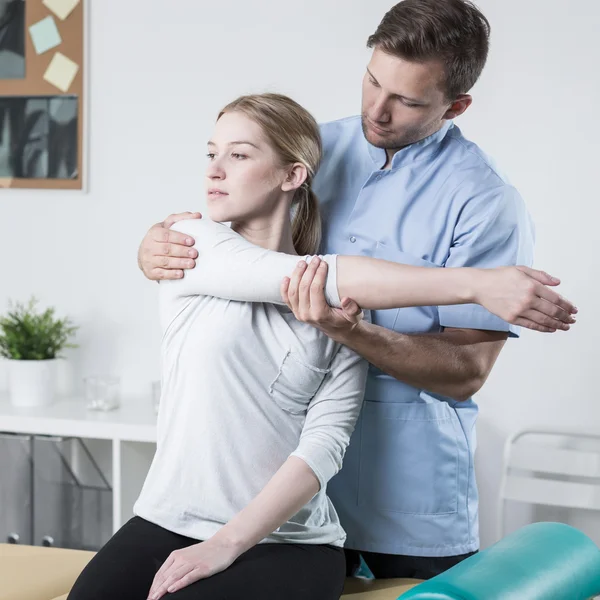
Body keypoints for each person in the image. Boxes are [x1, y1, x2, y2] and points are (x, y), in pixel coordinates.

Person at [137, 0, 577, 582]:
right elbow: (227, 250)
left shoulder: (485, 201)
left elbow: (466, 371)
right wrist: (155, 247)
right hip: (275, 487)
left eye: (408, 100)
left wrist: (353, 332)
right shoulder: (310, 151)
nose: (378, 108)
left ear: (457, 105)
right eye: (373, 80)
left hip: (407, 495)